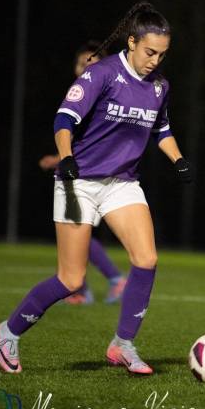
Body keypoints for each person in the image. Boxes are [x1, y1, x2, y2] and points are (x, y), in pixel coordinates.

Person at [0, 1, 192, 375]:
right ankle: (8, 331)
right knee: (71, 280)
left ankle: (123, 344)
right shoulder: (101, 73)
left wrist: (178, 159)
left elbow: (161, 129)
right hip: (78, 183)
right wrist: (66, 156)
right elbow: (64, 118)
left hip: (121, 183)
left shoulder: (160, 86)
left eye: (162, 54)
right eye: (150, 51)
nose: (155, 60)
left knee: (147, 259)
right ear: (132, 42)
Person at [39, 41, 127, 305]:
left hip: (92, 175)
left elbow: (94, 143)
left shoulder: (103, 96)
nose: (84, 68)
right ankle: (84, 288)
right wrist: (60, 158)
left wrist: (60, 159)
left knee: (77, 230)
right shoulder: (83, 94)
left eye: (91, 62)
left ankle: (108, 281)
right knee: (77, 231)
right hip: (80, 171)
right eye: (80, 63)